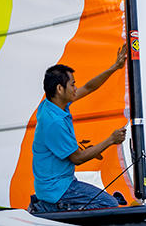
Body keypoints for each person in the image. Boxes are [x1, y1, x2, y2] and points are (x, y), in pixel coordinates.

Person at [28, 45, 128, 213]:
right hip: (57, 190)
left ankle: (54, 204)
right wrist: (111, 139)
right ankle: (46, 207)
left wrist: (114, 67)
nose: (76, 88)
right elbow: (78, 158)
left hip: (62, 182)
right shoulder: (53, 122)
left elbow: (89, 87)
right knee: (109, 204)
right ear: (60, 89)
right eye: (73, 84)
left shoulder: (53, 104)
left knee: (107, 201)